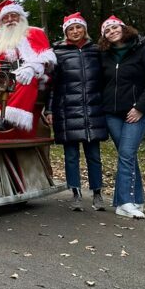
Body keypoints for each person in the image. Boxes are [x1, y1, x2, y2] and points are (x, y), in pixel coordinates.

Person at [98, 16, 145, 219]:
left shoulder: (144, 50)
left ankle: (125, 201)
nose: (112, 31)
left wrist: (140, 107)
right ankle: (135, 200)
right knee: (128, 155)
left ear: (123, 28)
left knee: (126, 153)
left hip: (136, 113)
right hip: (112, 114)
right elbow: (100, 83)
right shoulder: (105, 56)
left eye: (114, 27)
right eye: (107, 31)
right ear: (104, 37)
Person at [45, 13, 107, 211]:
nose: (75, 31)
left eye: (78, 27)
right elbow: (52, 85)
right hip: (67, 109)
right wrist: (49, 109)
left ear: (85, 29)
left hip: (92, 108)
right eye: (70, 29)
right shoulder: (58, 53)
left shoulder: (96, 51)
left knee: (94, 155)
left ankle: (97, 193)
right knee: (71, 155)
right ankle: (76, 193)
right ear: (66, 32)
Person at [0, 0, 56, 131]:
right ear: (2, 22)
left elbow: (46, 58)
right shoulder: (0, 41)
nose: (10, 20)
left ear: (21, 18)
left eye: (13, 16)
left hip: (33, 74)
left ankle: (7, 118)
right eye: (6, 17)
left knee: (25, 79)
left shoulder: (34, 33)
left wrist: (31, 68)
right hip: (5, 77)